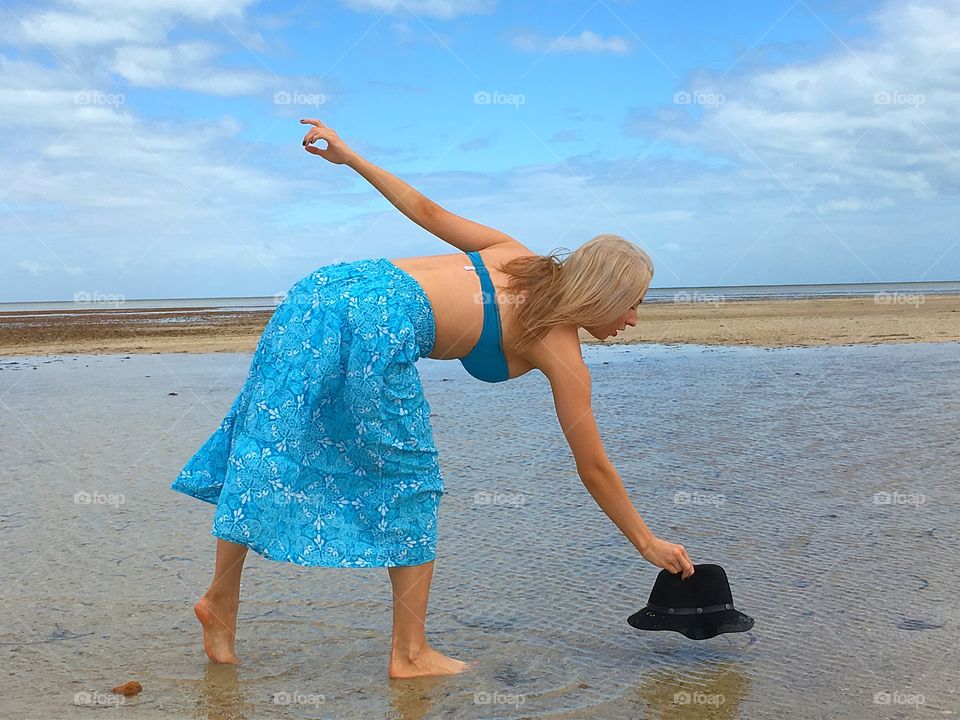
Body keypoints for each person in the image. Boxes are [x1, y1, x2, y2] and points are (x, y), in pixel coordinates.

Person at [171, 118, 695, 680]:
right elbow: (591, 465)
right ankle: (411, 653)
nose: (633, 319)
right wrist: (646, 541)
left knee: (266, 443)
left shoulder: (511, 253)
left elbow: (425, 211)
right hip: (379, 322)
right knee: (411, 482)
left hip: (321, 289)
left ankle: (221, 604)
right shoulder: (560, 349)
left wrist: (353, 157)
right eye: (633, 303)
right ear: (606, 292)